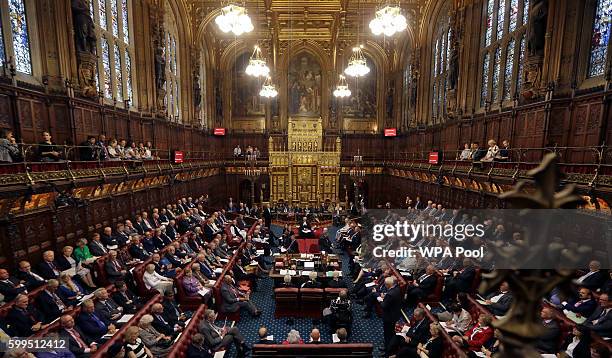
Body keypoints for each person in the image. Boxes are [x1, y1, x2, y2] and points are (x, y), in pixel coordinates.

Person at [381, 276, 402, 355]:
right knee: (391, 332)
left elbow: (384, 305)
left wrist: (382, 299)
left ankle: (387, 350)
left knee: (388, 333)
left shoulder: (390, 294)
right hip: (395, 314)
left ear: (388, 285)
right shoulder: (397, 288)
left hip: (389, 317)